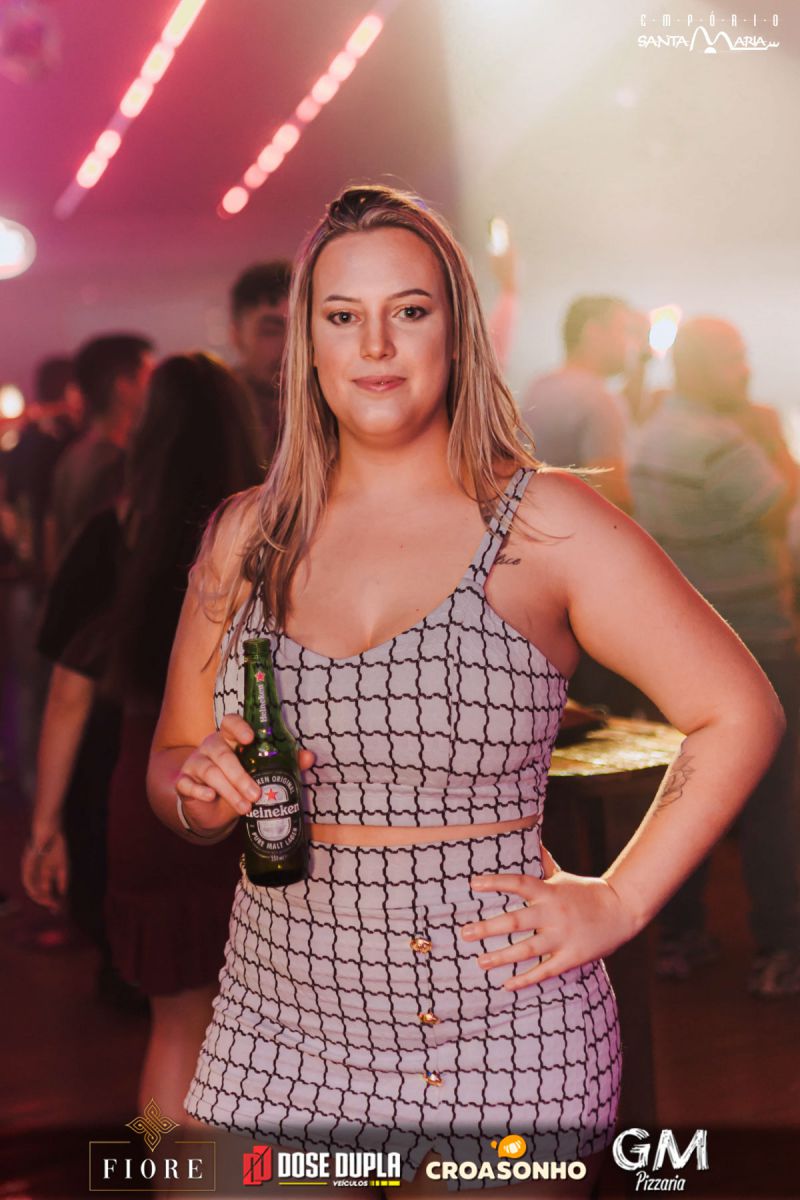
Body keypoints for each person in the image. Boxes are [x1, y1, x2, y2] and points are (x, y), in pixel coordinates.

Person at [148, 186, 784, 1197]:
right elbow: (173, 763)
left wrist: (619, 900)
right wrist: (197, 791)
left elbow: (738, 710)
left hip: (502, 1025)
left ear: (456, 332)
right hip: (276, 1020)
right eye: (342, 316)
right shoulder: (246, 536)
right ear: (307, 344)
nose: (376, 345)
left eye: (409, 311)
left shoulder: (543, 523)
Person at [22, 353, 264, 1099]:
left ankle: (170, 1164)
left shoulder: (116, 532)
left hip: (152, 777)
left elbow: (67, 695)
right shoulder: (269, 531)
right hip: (254, 780)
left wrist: (45, 827)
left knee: (174, 1027)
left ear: (149, 431)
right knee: (261, 1028)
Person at [628, 316, 800, 996]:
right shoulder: (724, 441)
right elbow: (784, 507)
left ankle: (682, 935)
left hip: (683, 644)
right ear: (698, 366)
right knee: (774, 801)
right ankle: (782, 949)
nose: (746, 369)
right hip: (755, 638)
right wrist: (771, 437)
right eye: (732, 358)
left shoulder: (653, 432)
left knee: (689, 789)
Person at [519, 295, 633, 513]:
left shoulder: (538, 386)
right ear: (593, 332)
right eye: (624, 330)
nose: (630, 344)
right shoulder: (600, 400)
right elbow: (614, 501)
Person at [50, 333, 154, 556]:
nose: (155, 388)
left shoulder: (71, 457)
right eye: (149, 375)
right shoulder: (117, 465)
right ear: (123, 386)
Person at [3, 356, 82, 584]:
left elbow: (11, 498)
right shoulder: (66, 444)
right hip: (57, 564)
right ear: (68, 390)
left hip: (30, 561)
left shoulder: (25, 440)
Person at [230, 260, 292, 455]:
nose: (290, 347)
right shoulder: (216, 413)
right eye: (271, 331)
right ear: (237, 336)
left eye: (301, 331)